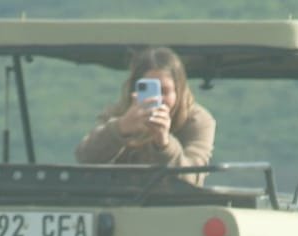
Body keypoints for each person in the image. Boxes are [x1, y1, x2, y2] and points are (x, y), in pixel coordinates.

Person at [74, 47, 215, 184]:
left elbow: (192, 178)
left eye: (164, 91)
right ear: (134, 90)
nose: (157, 99)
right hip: (121, 201)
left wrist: (164, 145)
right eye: (150, 90)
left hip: (173, 204)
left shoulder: (196, 121)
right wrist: (121, 128)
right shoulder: (119, 114)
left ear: (179, 91)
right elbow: (85, 158)